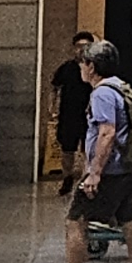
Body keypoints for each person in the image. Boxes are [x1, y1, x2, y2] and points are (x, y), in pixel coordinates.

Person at [42, 36, 132, 263]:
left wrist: (94, 173)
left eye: (83, 63)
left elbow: (107, 133)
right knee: (131, 221)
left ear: (92, 67)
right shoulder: (121, 87)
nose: (81, 68)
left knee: (75, 221)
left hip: (110, 171)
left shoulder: (102, 94)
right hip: (129, 169)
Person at [45, 42, 93, 183]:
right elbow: (54, 88)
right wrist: (52, 107)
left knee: (87, 147)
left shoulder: (94, 68)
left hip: (88, 114)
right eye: (79, 46)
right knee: (67, 147)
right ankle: (67, 177)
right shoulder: (66, 68)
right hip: (68, 113)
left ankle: (85, 177)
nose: (82, 49)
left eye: (86, 45)